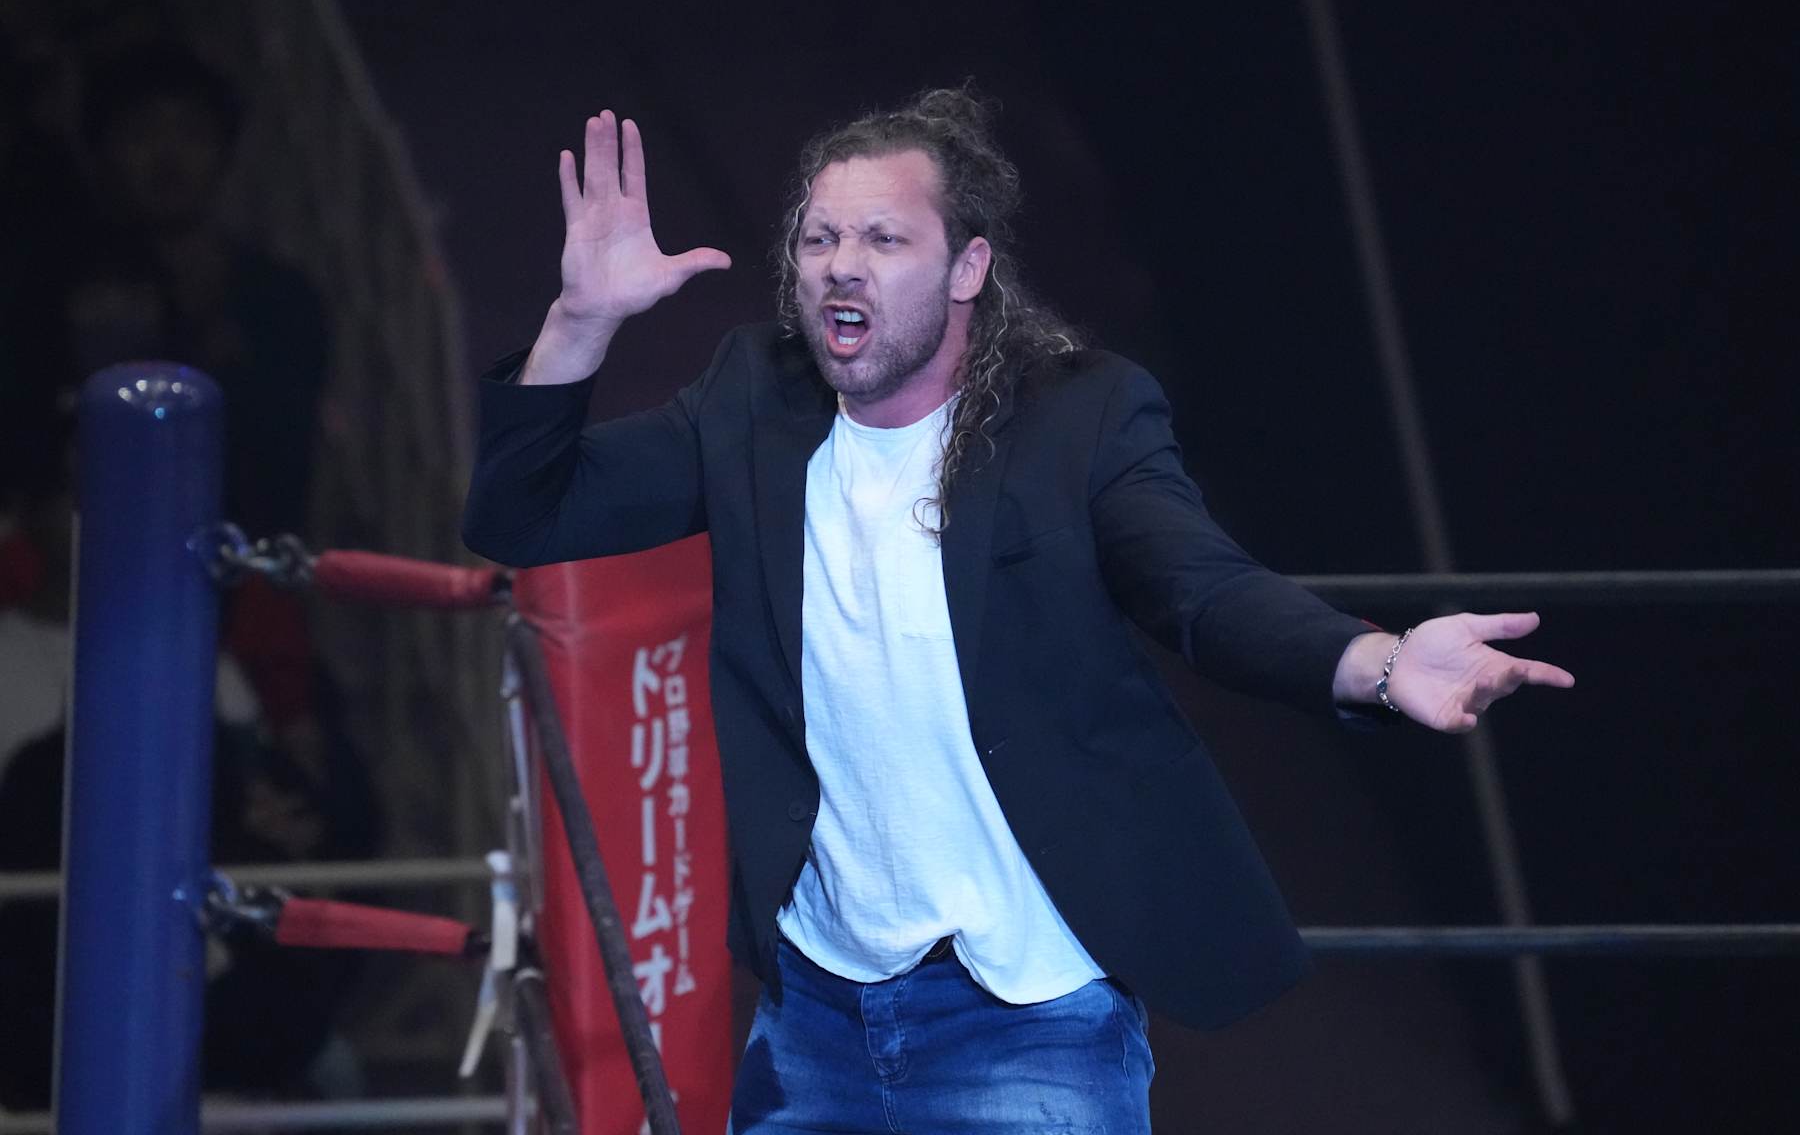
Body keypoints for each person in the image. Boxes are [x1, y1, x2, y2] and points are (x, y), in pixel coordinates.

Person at [461, 88, 1574, 1132]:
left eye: (883, 241)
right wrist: (580, 322)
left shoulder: (1076, 417)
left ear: (967, 266)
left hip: (1031, 1015)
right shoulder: (753, 400)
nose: (841, 269)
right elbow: (521, 517)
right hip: (815, 1016)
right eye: (818, 240)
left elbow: (1202, 590)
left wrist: (1376, 661)